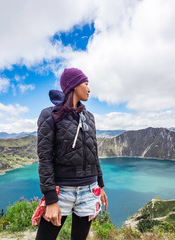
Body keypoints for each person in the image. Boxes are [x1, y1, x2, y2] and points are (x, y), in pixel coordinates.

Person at [34, 68, 108, 240]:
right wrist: (51, 200)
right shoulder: (49, 115)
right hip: (62, 192)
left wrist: (101, 185)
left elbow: (93, 153)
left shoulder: (88, 117)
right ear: (74, 85)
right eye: (86, 84)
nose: (89, 89)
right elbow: (45, 159)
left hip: (89, 191)